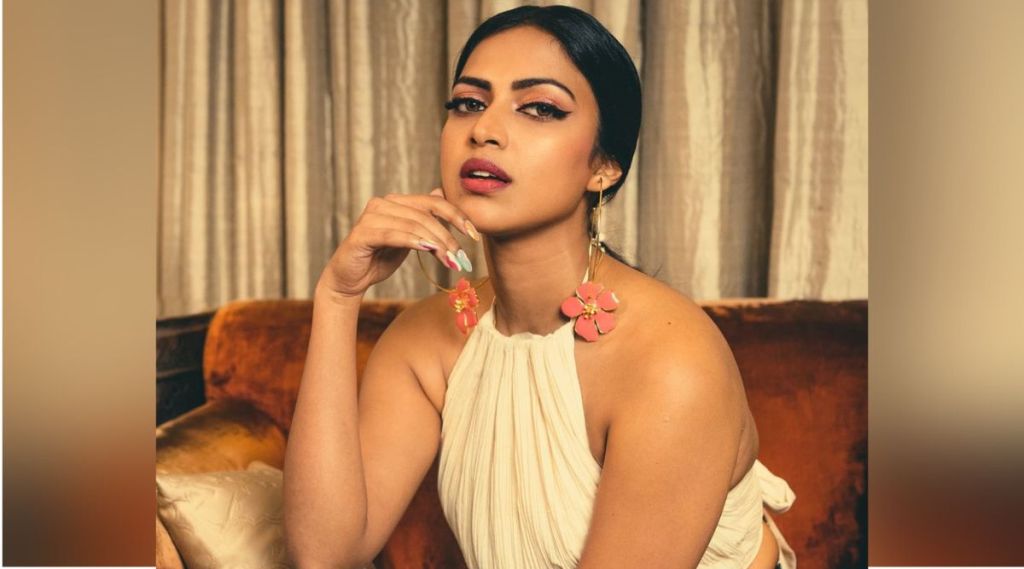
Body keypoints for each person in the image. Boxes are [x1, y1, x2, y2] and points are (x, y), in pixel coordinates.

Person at [284, 5, 796, 569]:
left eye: (540, 108)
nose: (483, 129)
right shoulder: (425, 340)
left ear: (604, 166)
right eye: (468, 103)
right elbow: (325, 553)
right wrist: (338, 298)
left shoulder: (670, 361)